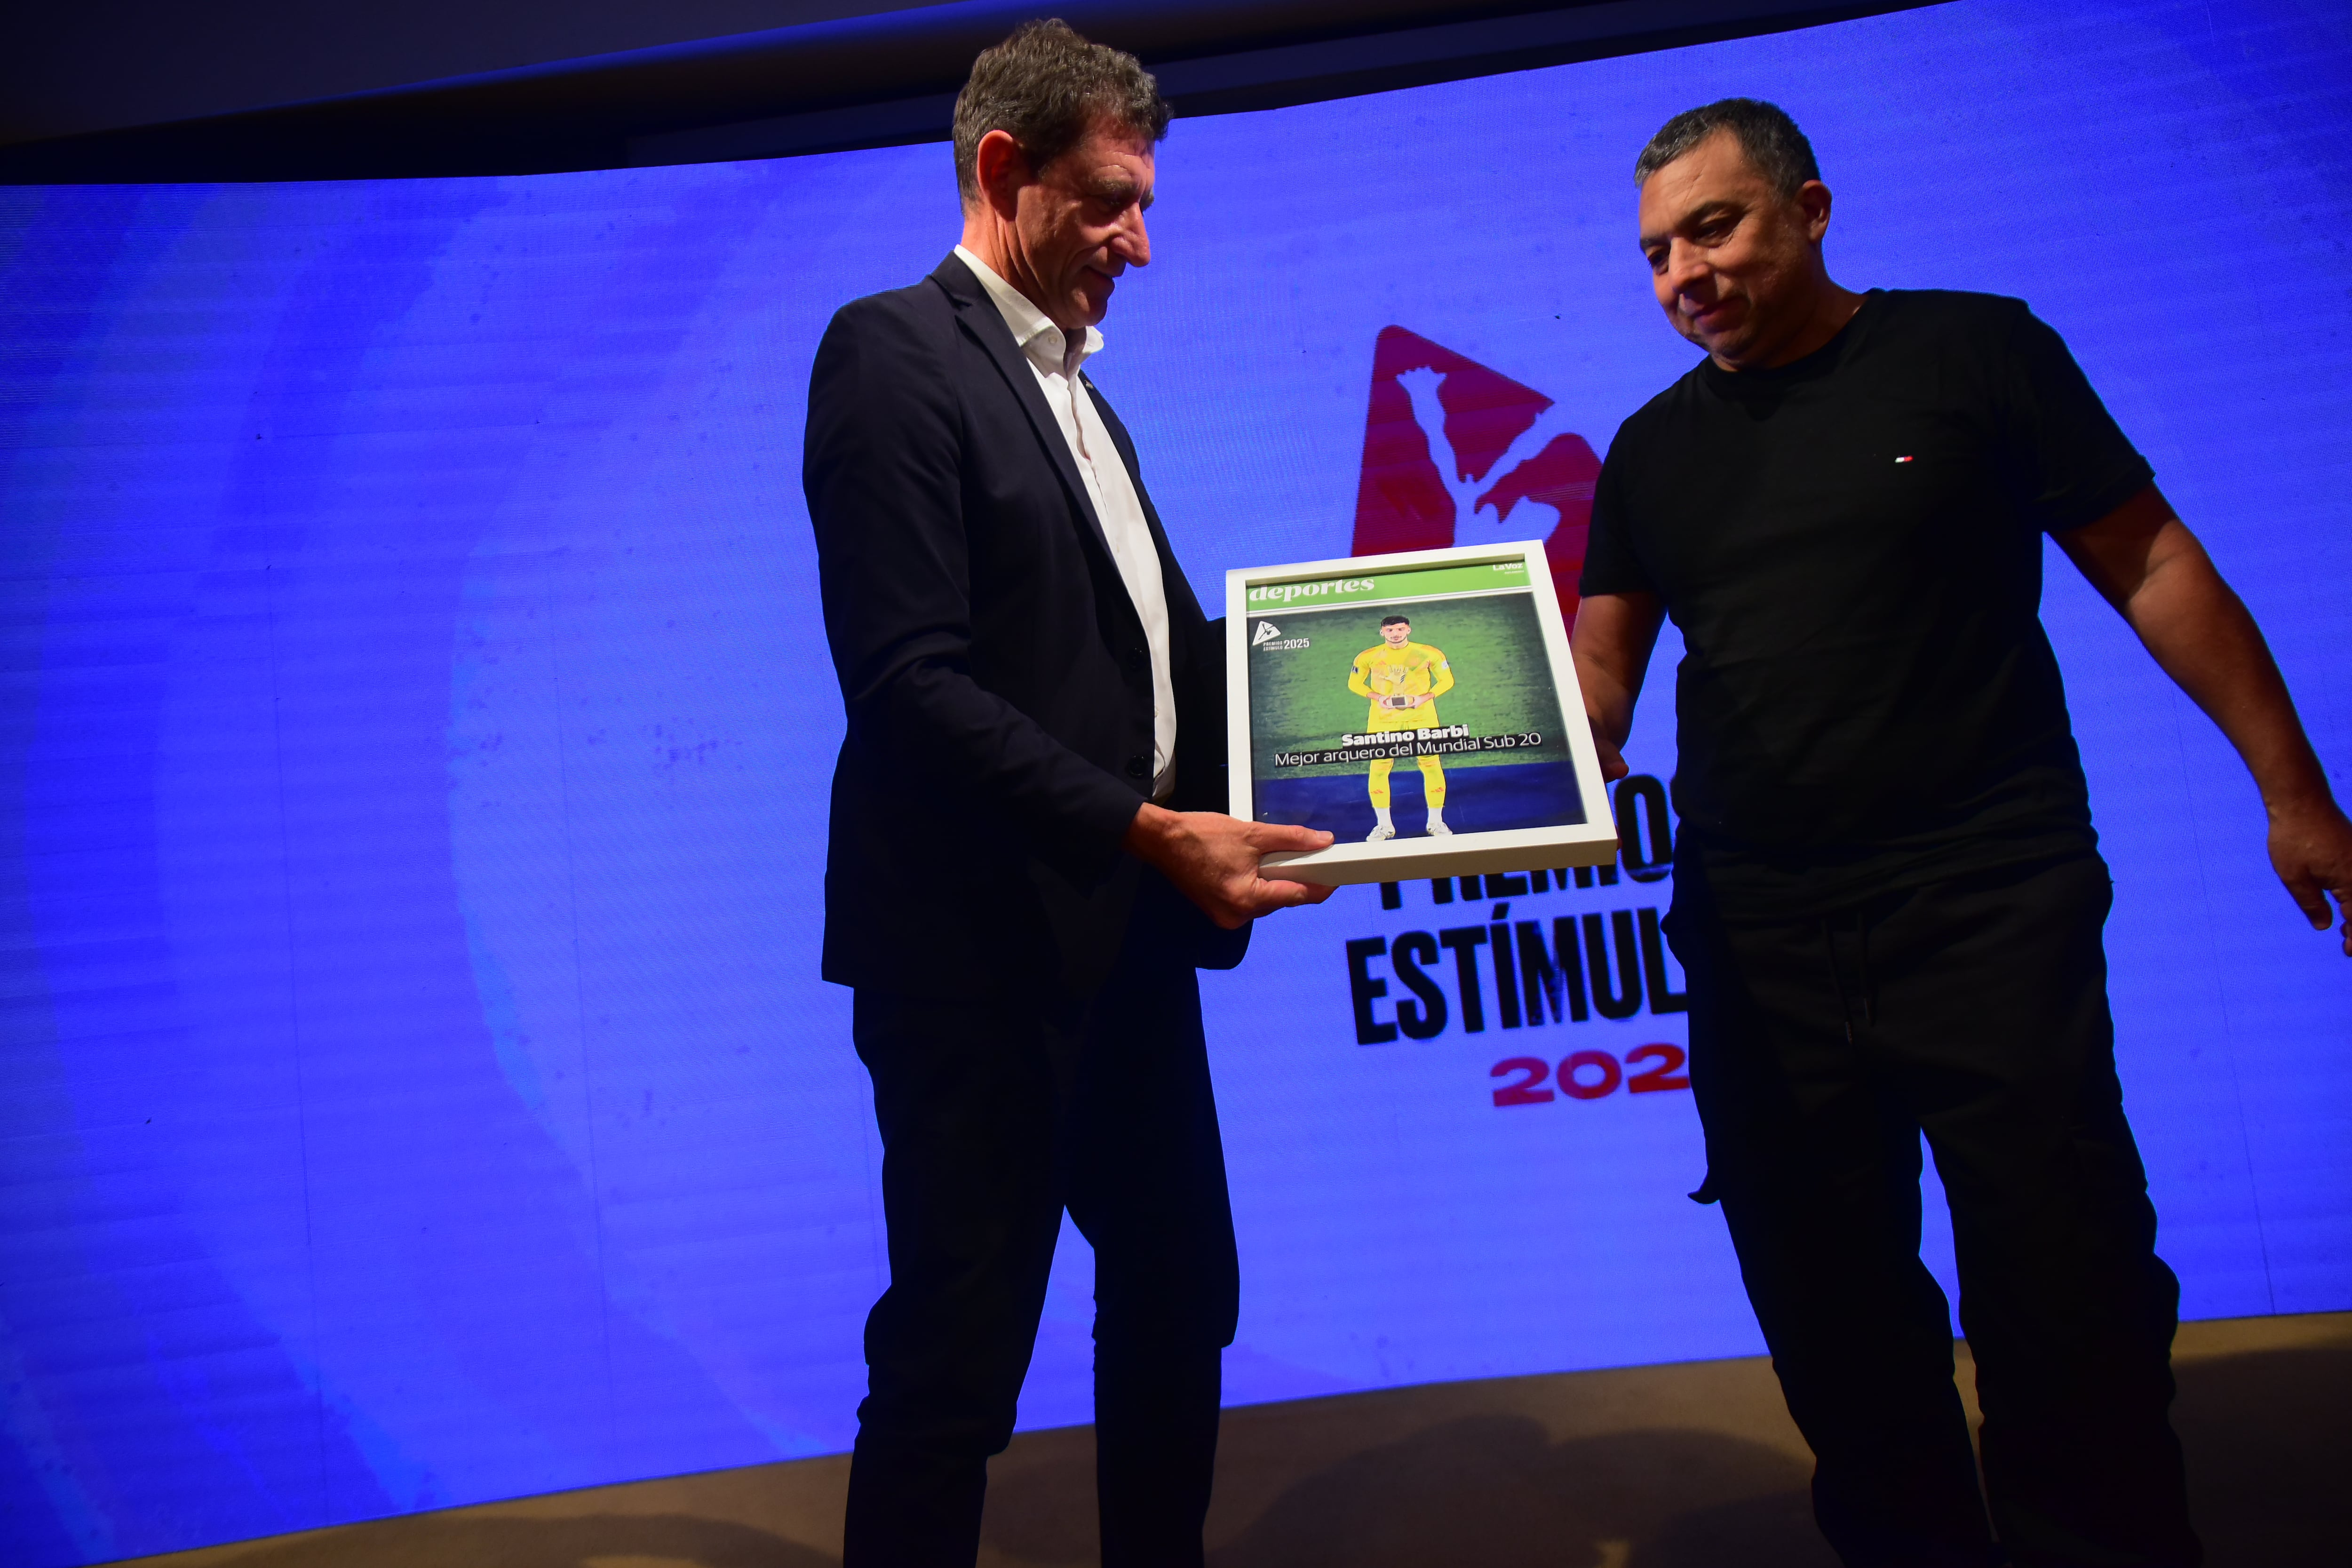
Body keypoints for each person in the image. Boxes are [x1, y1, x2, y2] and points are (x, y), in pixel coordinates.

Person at [1571, 98, 2352, 1568]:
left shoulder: (1973, 352)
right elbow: (1599, 665)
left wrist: (2293, 792)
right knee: (1830, 1318)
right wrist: (1533, 761)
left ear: (1808, 209)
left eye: (1714, 227)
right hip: (1757, 938)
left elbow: (2154, 563)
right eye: (1656, 250)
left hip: (1986, 899)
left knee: (2066, 1295)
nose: (1684, 272)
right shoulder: (1650, 450)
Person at [802, 22, 1332, 1568]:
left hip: (1129, 943)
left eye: (1145, 203)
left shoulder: (1082, 398)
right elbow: (911, 682)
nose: (1140, 243)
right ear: (1001, 170)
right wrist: (1149, 825)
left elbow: (1165, 662)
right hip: (980, 963)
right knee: (957, 1359)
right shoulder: (892, 353)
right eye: (1110, 200)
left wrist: (1439, 702)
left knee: (1180, 1287)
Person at [1348, 612, 1455, 840]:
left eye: (1400, 630)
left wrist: (1425, 698)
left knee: (1431, 764)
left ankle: (1436, 823)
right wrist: (1377, 697)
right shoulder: (1369, 656)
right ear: (1382, 632)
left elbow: (1447, 680)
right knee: (1379, 767)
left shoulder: (1429, 653)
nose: (1395, 634)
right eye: (1390, 630)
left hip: (1422, 717)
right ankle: (1384, 826)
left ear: (1408, 630)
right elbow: (1354, 683)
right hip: (1383, 720)